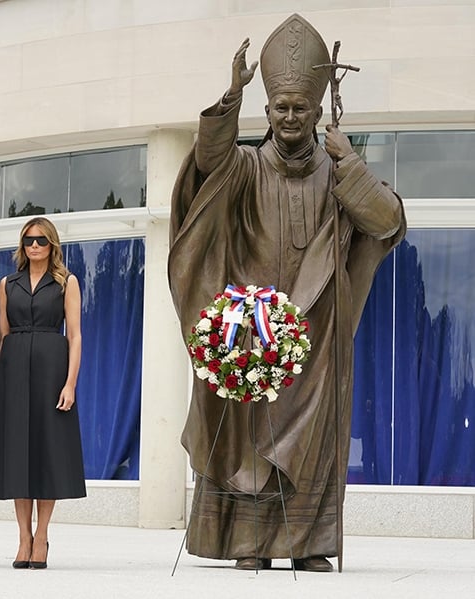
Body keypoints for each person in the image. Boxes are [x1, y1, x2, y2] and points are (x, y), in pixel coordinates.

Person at [168, 14, 407, 572]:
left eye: (302, 107)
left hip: (317, 333)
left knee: (311, 442)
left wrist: (349, 163)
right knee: (251, 439)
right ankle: (249, 547)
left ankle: (305, 546)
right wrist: (231, 97)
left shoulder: (337, 172)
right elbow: (206, 167)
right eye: (281, 107)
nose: (291, 116)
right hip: (253, 330)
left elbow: (387, 221)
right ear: (268, 110)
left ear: (319, 111)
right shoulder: (246, 166)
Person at [0, 216, 86, 569]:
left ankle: (42, 536)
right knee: (18, 458)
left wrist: (70, 383)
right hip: (13, 372)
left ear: (52, 243)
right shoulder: (8, 284)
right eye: (28, 240)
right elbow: (2, 334)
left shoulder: (66, 282)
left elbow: (75, 335)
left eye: (41, 240)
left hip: (51, 369)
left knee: (48, 454)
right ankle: (23, 537)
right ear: (22, 246)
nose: (35, 246)